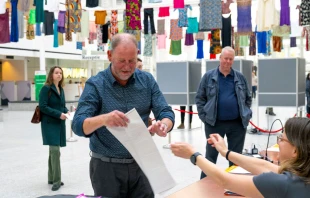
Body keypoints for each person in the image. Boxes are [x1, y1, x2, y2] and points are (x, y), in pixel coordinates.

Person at [72, 33, 175, 197]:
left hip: (143, 165)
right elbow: (78, 125)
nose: (127, 67)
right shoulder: (96, 84)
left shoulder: (147, 81)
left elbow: (166, 111)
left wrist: (163, 124)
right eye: (121, 61)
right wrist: (104, 119)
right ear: (109, 55)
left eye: (132, 61)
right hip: (107, 168)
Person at [171, 117, 310, 197]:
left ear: (295, 151)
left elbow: (224, 180)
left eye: (281, 139)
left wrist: (193, 155)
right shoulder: (301, 176)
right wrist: (226, 152)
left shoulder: (281, 183)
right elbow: (266, 166)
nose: (278, 143)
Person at [195, 46, 252, 179]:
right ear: (220, 58)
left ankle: (235, 186)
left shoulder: (240, 77)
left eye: (230, 59)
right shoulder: (209, 77)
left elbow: (248, 98)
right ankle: (204, 186)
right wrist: (204, 117)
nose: (227, 61)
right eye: (225, 58)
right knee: (210, 157)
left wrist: (246, 113)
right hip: (214, 123)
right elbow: (199, 98)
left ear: (233, 60)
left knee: (236, 157)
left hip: (237, 125)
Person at [39, 66, 68, 191]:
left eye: (60, 73)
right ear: (51, 75)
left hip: (59, 123)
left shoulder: (61, 89)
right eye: (56, 73)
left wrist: (68, 112)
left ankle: (51, 177)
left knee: (53, 151)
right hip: (50, 123)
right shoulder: (46, 89)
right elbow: (43, 106)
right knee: (55, 151)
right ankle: (57, 180)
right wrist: (59, 114)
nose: (59, 75)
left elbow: (62, 106)